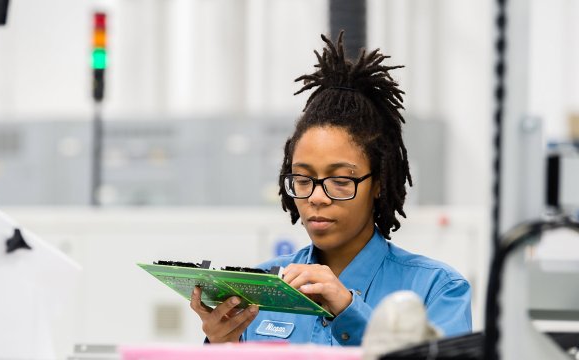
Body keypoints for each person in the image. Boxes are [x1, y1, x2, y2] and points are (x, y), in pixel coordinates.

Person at [190, 31, 471, 346]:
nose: (316, 197)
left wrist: (349, 310)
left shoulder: (438, 288)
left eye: (340, 181)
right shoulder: (261, 289)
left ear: (377, 183)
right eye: (303, 179)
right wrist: (220, 347)